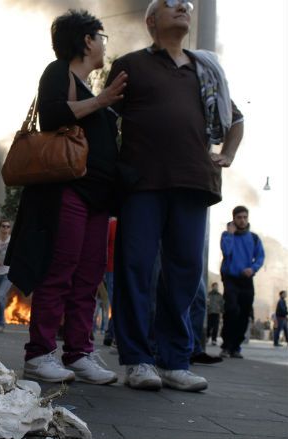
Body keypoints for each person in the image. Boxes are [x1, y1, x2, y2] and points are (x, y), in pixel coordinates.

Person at [107, 0, 244, 392]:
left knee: (184, 274)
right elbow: (105, 115)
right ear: (151, 21)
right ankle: (137, 360)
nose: (183, 5)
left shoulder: (205, 71)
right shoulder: (130, 65)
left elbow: (234, 119)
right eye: (171, 3)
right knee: (135, 269)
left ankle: (174, 360)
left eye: (186, 3)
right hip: (141, 184)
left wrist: (228, 153)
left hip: (194, 183)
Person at [5, 9, 127, 385]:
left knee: (88, 277)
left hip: (97, 197)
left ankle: (79, 353)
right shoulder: (59, 72)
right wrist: (103, 100)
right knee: (60, 270)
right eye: (101, 37)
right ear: (87, 40)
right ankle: (40, 354)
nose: (104, 45)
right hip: (68, 190)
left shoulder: (92, 88)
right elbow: (53, 116)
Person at [220, 206, 265, 358]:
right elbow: (226, 252)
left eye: (245, 217)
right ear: (234, 219)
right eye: (239, 217)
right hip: (230, 278)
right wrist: (230, 235)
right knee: (232, 309)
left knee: (244, 313)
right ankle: (226, 346)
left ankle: (236, 347)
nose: (242, 220)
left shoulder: (254, 238)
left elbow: (260, 257)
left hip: (246, 280)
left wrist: (253, 269)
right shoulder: (227, 235)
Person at [189, 278, 222, 365]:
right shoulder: (211, 294)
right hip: (211, 312)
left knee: (199, 299)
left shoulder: (219, 295)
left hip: (216, 313)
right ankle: (154, 351)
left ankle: (193, 350)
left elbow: (221, 303)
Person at [103, 217, 117, 346]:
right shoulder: (112, 224)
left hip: (112, 269)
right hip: (112, 269)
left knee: (116, 302)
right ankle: (112, 334)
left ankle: (111, 333)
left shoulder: (112, 224)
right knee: (117, 302)